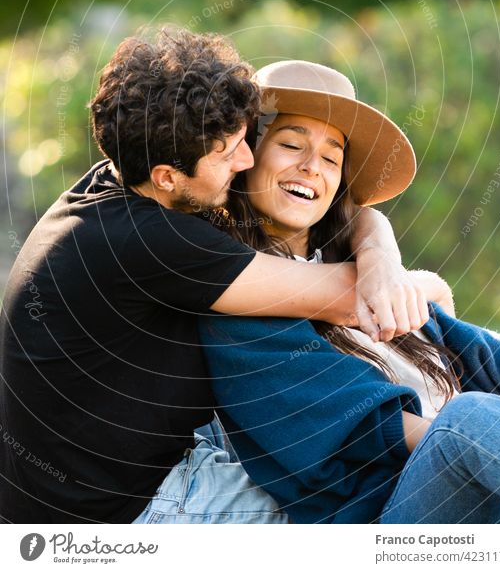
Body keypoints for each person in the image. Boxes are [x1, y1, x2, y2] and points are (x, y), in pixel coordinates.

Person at [0, 29, 434, 525]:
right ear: (168, 175)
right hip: (121, 514)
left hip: (120, 482)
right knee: (360, 513)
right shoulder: (155, 242)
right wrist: (400, 270)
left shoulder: (116, 182)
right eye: (229, 152)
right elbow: (350, 297)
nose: (246, 160)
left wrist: (373, 231)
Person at [199, 59, 500, 524]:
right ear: (246, 157)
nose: (311, 166)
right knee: (470, 421)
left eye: (332, 157)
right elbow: (371, 429)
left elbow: (490, 364)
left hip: (492, 490)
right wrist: (499, 423)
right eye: (291, 144)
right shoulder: (238, 304)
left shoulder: (366, 277)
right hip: (385, 520)